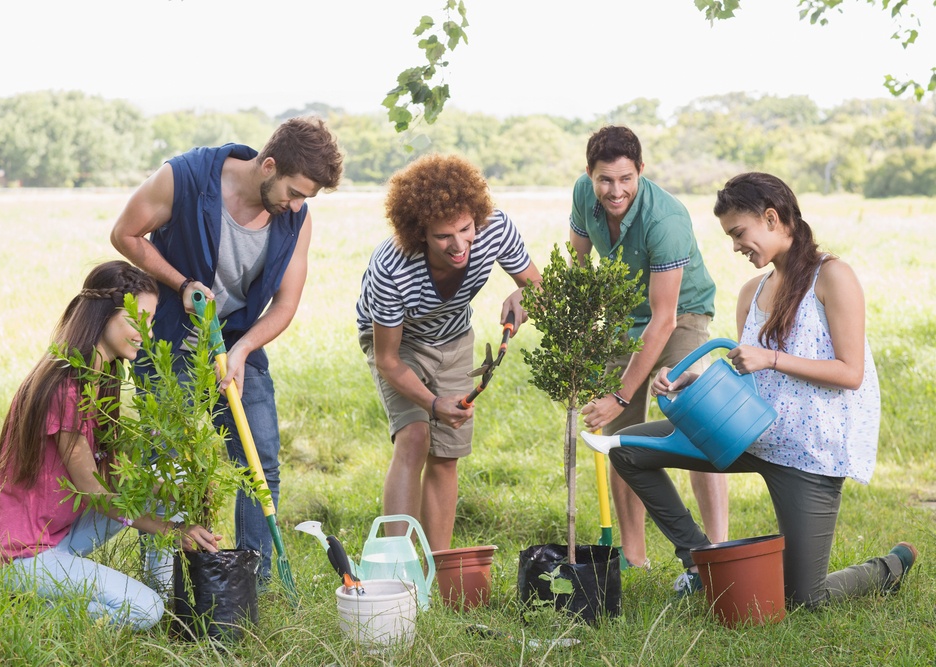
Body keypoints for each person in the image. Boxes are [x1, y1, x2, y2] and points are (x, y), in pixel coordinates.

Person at [606, 172, 916, 606]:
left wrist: (771, 357)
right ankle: (699, 559)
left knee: (804, 599)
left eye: (738, 233)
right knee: (626, 448)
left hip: (809, 455)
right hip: (748, 436)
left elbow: (851, 373)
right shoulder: (752, 292)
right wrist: (693, 382)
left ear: (771, 218)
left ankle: (889, 567)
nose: (735, 246)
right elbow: (749, 380)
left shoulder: (833, 278)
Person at [110, 117, 343, 585]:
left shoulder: (295, 219)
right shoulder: (186, 178)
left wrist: (242, 350)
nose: (296, 205)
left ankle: (251, 581)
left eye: (306, 199)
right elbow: (124, 234)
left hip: (237, 343)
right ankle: (160, 580)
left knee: (261, 462)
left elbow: (287, 303)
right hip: (170, 342)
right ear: (269, 165)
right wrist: (181, 283)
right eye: (294, 192)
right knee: (165, 460)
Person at [0, 260, 219, 631]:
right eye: (136, 321)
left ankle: (162, 584)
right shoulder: (65, 386)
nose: (146, 333)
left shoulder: (100, 381)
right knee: (144, 611)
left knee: (160, 476)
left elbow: (116, 478)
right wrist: (172, 532)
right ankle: (25, 615)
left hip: (60, 537)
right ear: (102, 315)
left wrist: (181, 491)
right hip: (21, 554)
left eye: (150, 322)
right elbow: (94, 492)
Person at [356, 153, 542, 551]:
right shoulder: (392, 267)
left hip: (454, 336)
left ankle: (436, 565)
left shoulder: (495, 229)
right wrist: (433, 402)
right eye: (444, 237)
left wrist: (524, 295)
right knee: (415, 436)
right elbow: (388, 359)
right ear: (420, 232)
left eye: (465, 229)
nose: (459, 245)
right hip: (398, 342)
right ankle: (401, 566)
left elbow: (537, 287)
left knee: (447, 453)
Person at [572, 125, 728, 572]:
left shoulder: (667, 220)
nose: (615, 190)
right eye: (605, 180)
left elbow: (664, 320)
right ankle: (633, 555)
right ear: (589, 174)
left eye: (625, 179)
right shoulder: (584, 194)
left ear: (641, 170)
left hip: (681, 315)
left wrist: (619, 391)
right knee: (620, 435)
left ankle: (717, 550)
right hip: (624, 314)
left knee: (699, 418)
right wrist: (582, 340)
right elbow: (580, 271)